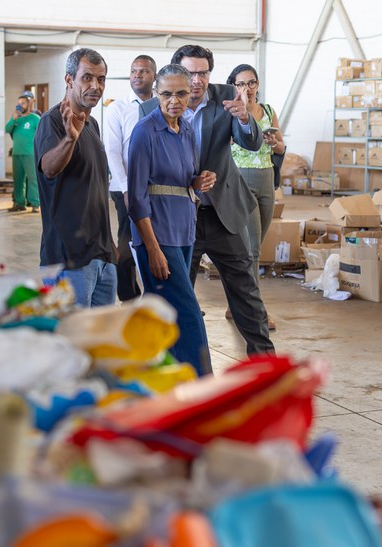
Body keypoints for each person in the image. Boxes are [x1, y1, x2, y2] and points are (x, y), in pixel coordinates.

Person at [140, 45, 274, 357]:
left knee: (246, 292)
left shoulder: (226, 96)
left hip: (222, 212)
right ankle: (174, 367)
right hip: (178, 217)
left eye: (203, 72)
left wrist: (244, 119)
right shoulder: (150, 109)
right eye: (190, 73)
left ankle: (266, 364)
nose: (198, 80)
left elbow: (252, 143)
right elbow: (149, 167)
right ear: (175, 73)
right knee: (177, 295)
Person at [128, 64, 215, 375]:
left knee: (161, 312)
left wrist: (198, 182)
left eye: (181, 94)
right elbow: (136, 197)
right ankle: (205, 386)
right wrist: (151, 248)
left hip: (184, 230)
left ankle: (160, 378)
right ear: (156, 94)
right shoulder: (144, 132)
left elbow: (183, 180)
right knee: (189, 313)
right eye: (167, 94)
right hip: (158, 233)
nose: (174, 101)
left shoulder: (187, 130)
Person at [34, 48, 116, 308]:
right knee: (71, 340)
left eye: (101, 79)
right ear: (69, 80)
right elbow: (48, 168)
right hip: (68, 259)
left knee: (100, 343)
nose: (95, 86)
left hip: (101, 256)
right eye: (87, 78)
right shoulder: (52, 122)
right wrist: (70, 138)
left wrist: (110, 247)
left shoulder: (91, 125)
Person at [227, 64, 285, 330]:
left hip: (266, 180)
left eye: (251, 83)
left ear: (258, 84)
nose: (246, 88)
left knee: (253, 247)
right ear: (233, 86)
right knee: (252, 252)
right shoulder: (231, 110)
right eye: (240, 84)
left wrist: (275, 143)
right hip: (241, 179)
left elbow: (281, 145)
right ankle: (255, 313)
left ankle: (236, 301)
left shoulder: (269, 111)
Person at [105, 54, 157, 302]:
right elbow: (112, 150)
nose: (137, 75)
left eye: (144, 71)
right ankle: (127, 293)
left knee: (156, 239)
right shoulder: (118, 107)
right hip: (123, 185)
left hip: (154, 186)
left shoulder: (161, 105)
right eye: (134, 71)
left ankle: (156, 291)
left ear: (154, 76)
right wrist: (126, 189)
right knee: (128, 241)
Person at [5, 93, 40, 213]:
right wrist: (13, 119)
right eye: (18, 103)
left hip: (30, 154)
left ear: (29, 104)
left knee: (33, 179)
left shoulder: (35, 119)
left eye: (23, 103)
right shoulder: (15, 119)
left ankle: (35, 203)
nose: (20, 106)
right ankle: (19, 203)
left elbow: (42, 134)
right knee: (18, 180)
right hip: (17, 153)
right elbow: (7, 129)